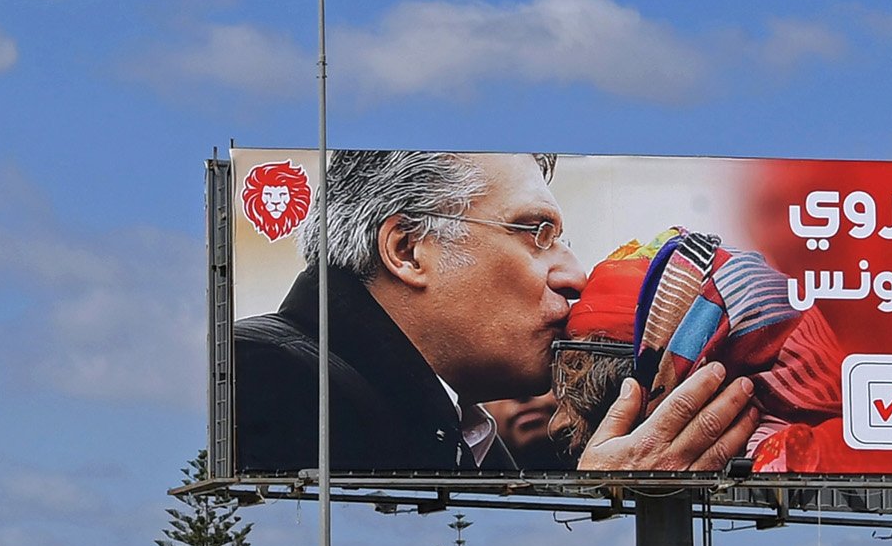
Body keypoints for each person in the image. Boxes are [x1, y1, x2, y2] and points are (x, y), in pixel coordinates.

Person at [232, 150, 756, 476]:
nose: (575, 275)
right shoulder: (270, 377)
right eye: (536, 234)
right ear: (409, 249)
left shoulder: (457, 428)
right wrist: (603, 500)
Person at [546, 227, 837, 471]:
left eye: (585, 407)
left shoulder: (816, 463)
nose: (557, 423)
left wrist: (609, 498)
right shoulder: (858, 436)